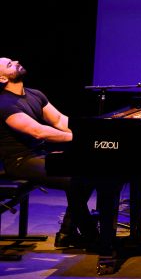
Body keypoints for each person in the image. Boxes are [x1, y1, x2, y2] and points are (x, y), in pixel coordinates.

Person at [0, 56, 97, 248]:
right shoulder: (4, 104)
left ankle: (68, 233)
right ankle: (90, 236)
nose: (17, 61)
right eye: (10, 64)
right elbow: (38, 131)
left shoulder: (35, 94)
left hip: (39, 155)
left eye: (13, 60)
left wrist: (89, 132)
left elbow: (60, 120)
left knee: (90, 172)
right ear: (2, 78)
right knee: (78, 178)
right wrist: (80, 139)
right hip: (20, 161)